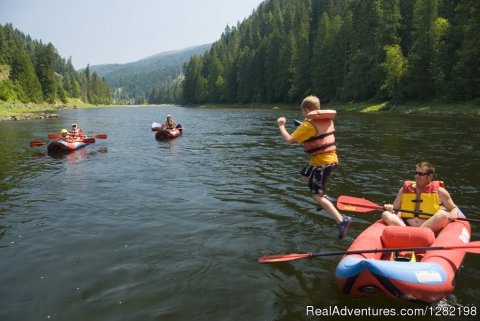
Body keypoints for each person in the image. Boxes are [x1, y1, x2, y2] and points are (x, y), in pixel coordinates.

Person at [277, 95, 351, 239]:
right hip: (329, 160)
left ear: (306, 110)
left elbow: (288, 140)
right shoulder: (326, 120)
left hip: (323, 163)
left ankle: (342, 220)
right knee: (305, 174)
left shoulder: (307, 125)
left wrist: (281, 125)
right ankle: (326, 198)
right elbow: (317, 134)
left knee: (316, 195)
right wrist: (302, 126)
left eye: (303, 112)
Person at [381, 162, 458, 234]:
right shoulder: (404, 190)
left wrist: (453, 212)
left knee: (443, 214)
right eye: (416, 173)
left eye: (421, 174)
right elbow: (394, 209)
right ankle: (410, 235)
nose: (417, 176)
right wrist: (390, 207)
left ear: (430, 176)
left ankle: (414, 235)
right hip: (405, 225)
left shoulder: (440, 192)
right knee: (386, 214)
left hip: (428, 227)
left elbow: (453, 208)